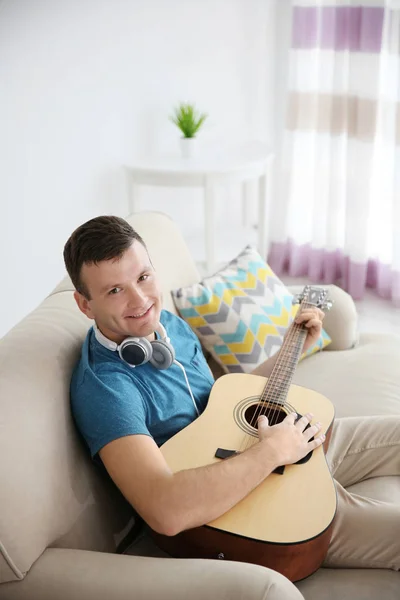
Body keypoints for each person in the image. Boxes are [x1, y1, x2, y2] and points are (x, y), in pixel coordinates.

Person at [64, 215, 400, 598]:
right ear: (84, 305)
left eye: (143, 277)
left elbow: (222, 402)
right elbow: (164, 509)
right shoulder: (107, 388)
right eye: (114, 291)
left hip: (272, 446)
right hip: (241, 508)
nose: (140, 301)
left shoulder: (165, 325)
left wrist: (296, 348)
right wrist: (272, 451)